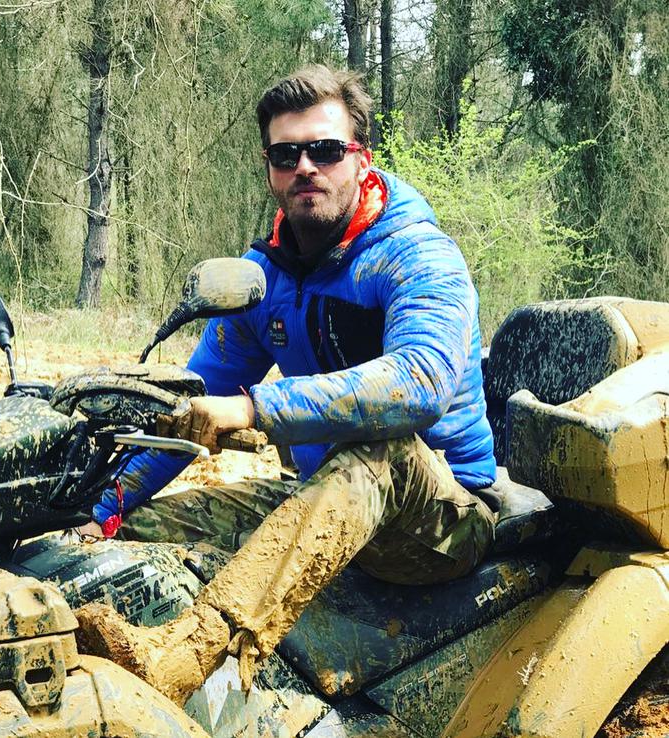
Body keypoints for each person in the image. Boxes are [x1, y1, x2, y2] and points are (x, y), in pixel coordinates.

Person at [76, 64, 497, 706]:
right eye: (286, 154)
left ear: (361, 158)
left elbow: (419, 383)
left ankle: (183, 653)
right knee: (138, 528)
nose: (305, 167)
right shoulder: (263, 276)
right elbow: (193, 400)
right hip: (322, 498)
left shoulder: (417, 254)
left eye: (325, 150)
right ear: (270, 168)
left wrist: (253, 409)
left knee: (381, 448)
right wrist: (102, 509)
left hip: (443, 513)